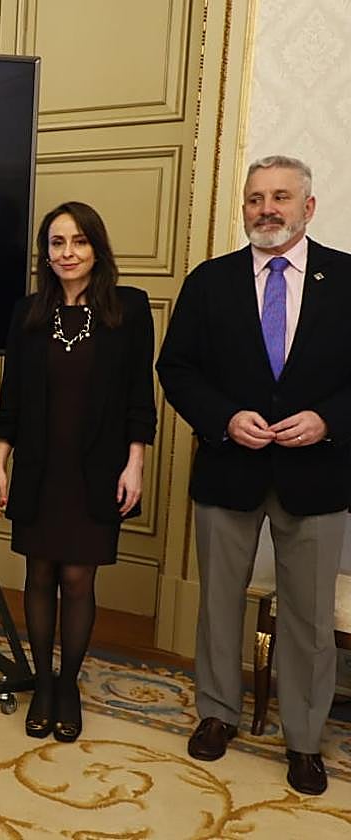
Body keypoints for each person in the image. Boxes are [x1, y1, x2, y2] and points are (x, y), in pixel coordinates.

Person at [157, 155, 351, 796]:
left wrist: (327, 420)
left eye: (280, 197)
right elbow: (176, 367)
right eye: (255, 199)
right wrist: (222, 417)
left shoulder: (347, 279)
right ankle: (217, 713)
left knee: (308, 617)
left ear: (308, 207)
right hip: (227, 468)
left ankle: (303, 741)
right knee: (217, 605)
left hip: (317, 476)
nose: (267, 209)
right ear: (243, 208)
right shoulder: (209, 282)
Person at [0, 201, 156, 744]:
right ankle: (42, 684)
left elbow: (139, 400)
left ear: (97, 248)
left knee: (79, 579)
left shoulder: (128, 309)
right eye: (57, 243)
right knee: (38, 576)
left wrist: (135, 465)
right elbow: (10, 398)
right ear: (47, 253)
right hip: (39, 467)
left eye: (78, 241)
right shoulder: (27, 312)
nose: (67, 253)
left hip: (98, 469)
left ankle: (68, 684)